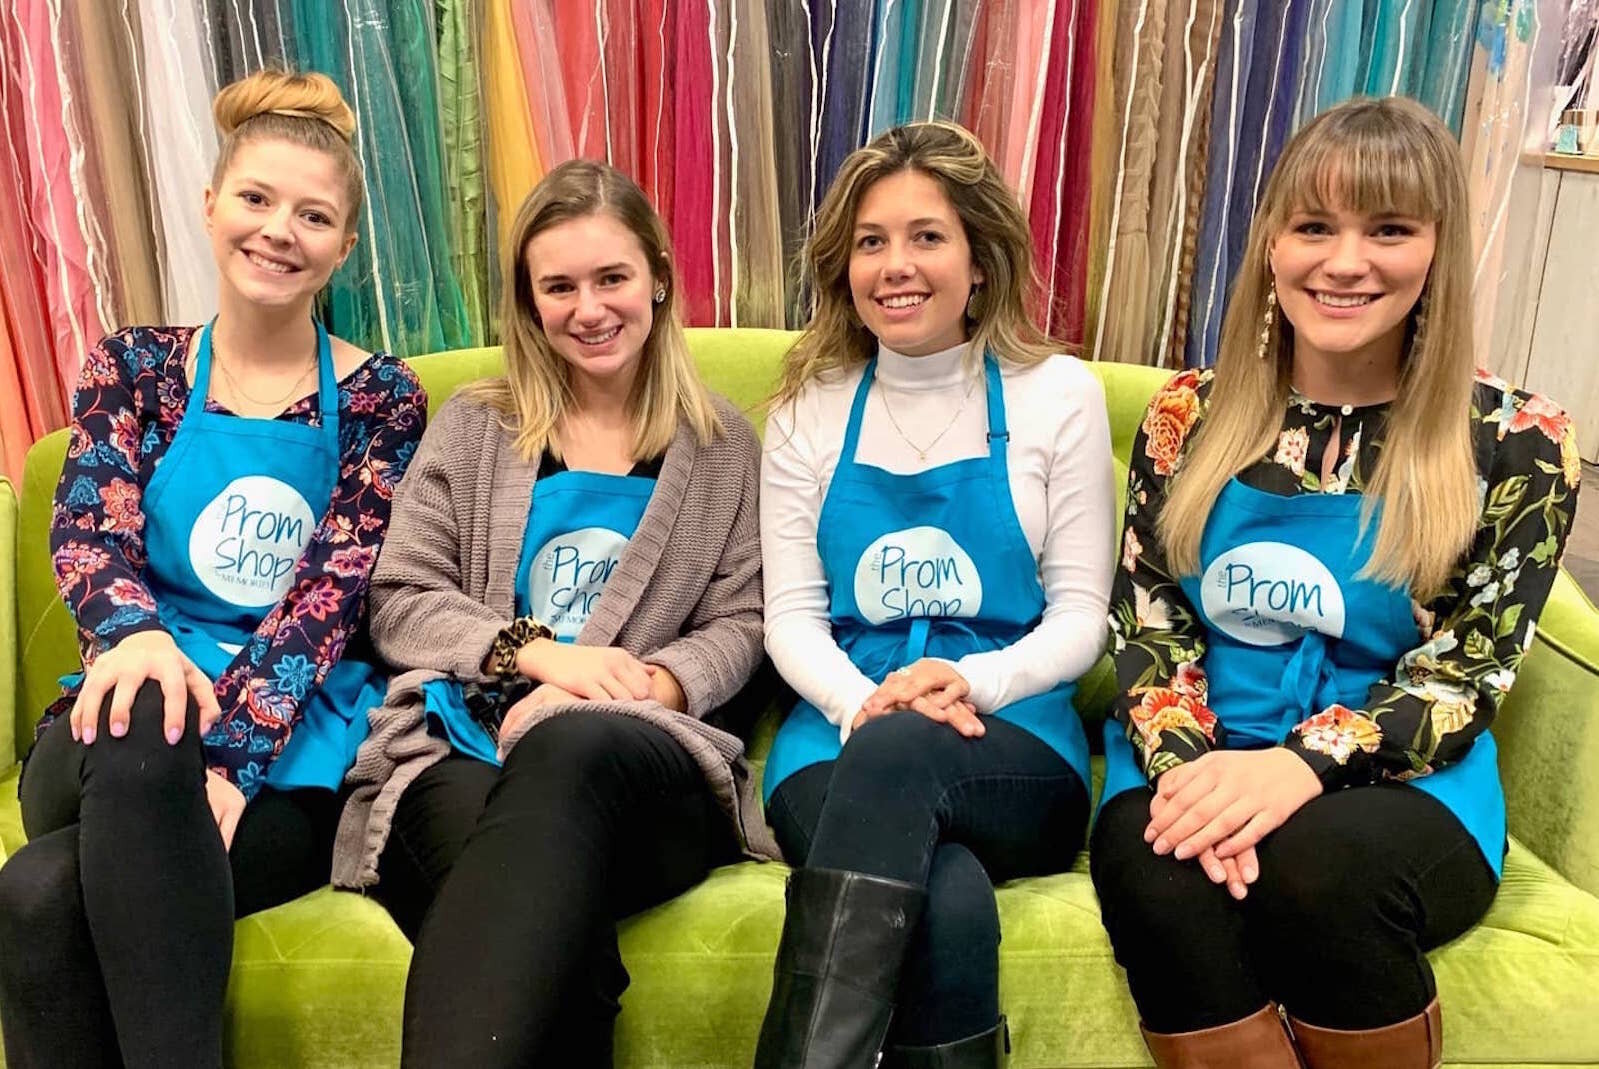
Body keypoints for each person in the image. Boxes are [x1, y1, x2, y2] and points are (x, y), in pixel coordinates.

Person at [1091, 96, 1580, 1068]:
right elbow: (1149, 622)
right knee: (1159, 867)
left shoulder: (1519, 440)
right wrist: (1194, 772)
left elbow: (1469, 669)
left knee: (1319, 869)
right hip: (1200, 748)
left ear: (1437, 247)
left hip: (1403, 779)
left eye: (1388, 229)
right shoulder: (1188, 412)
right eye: (1314, 225)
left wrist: (1298, 768)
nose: (1344, 261)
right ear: (1272, 243)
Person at [0, 69, 425, 1068]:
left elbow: (333, 593)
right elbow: (89, 528)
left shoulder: (381, 397)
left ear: (345, 245)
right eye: (257, 198)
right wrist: (138, 638)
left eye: (314, 214)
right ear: (211, 203)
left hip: (286, 758)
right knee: (151, 704)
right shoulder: (134, 367)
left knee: (34, 896)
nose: (280, 230)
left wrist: (229, 752)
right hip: (119, 713)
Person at [330, 158, 768, 1067]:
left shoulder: (724, 445)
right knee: (540, 930)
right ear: (529, 304)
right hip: (460, 748)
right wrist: (535, 654)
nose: (589, 308)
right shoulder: (476, 424)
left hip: (647, 765)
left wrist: (648, 680)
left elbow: (746, 623)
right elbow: (399, 598)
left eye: (610, 277)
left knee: (571, 749)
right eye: (557, 286)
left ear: (657, 275)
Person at [755, 121, 1115, 1068]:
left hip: (1013, 735)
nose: (894, 265)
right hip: (838, 730)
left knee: (908, 747)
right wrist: (857, 700)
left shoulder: (1057, 395)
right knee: (947, 897)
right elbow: (788, 617)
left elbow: (1083, 615)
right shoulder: (807, 408)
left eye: (925, 235)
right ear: (843, 267)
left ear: (979, 258)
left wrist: (970, 683)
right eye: (870, 241)